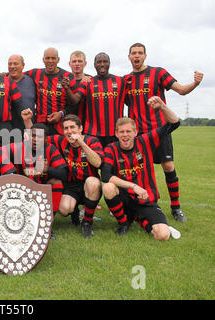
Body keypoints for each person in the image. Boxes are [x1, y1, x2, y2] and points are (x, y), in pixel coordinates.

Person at [125, 43, 204, 222]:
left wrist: (196, 83)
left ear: (145, 56)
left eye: (140, 53)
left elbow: (182, 90)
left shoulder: (158, 73)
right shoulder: (126, 80)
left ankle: (176, 207)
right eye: (133, 53)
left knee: (168, 166)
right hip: (139, 136)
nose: (136, 56)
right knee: (139, 171)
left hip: (160, 130)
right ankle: (137, 205)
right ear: (129, 57)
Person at [101, 96, 181, 241]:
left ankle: (137, 218)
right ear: (116, 134)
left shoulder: (146, 141)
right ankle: (123, 223)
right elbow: (105, 176)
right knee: (108, 188)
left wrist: (162, 106)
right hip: (125, 198)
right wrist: (133, 186)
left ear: (135, 132)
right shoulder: (111, 148)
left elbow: (174, 123)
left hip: (146, 199)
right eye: (121, 132)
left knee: (162, 235)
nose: (125, 135)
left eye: (128, 131)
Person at [48, 115, 104, 237]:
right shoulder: (61, 141)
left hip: (90, 185)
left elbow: (98, 163)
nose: (69, 131)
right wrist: (27, 121)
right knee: (63, 209)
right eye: (66, 128)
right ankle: (75, 213)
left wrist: (81, 143)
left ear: (80, 129)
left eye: (72, 127)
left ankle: (87, 223)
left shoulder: (92, 141)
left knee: (92, 182)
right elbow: (38, 138)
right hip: (71, 186)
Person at [64, 52, 126, 148]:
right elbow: (75, 100)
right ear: (94, 64)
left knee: (113, 161)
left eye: (105, 61)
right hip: (93, 132)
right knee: (95, 161)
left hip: (114, 132)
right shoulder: (88, 81)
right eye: (99, 62)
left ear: (109, 63)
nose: (102, 64)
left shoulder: (120, 81)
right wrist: (67, 88)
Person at [25, 47, 79, 135]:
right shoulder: (35, 73)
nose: (50, 61)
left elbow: (75, 103)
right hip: (40, 124)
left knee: (58, 148)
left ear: (58, 60)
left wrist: (61, 114)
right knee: (40, 148)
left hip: (60, 126)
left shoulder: (68, 76)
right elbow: (18, 75)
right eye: (47, 58)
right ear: (43, 60)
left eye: (53, 58)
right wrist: (4, 75)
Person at [7, 54, 37, 131]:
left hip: (29, 128)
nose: (12, 66)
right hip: (7, 131)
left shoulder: (32, 81)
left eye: (16, 63)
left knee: (36, 143)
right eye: (10, 64)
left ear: (23, 65)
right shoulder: (2, 82)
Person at [67, 50, 92, 120]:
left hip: (87, 121)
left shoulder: (91, 80)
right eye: (74, 61)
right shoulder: (65, 81)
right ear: (69, 63)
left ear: (85, 63)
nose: (77, 64)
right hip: (69, 121)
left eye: (80, 61)